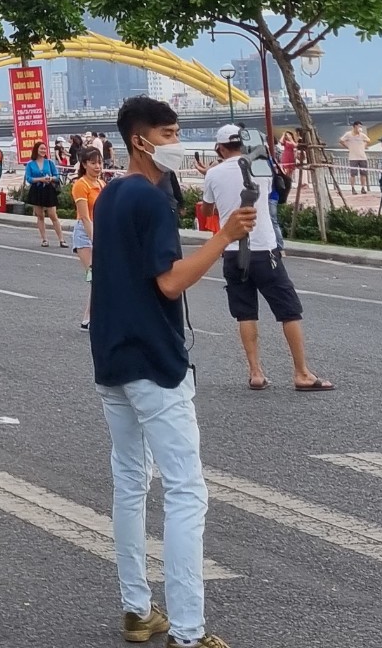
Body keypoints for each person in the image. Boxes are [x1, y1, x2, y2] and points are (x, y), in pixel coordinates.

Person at [92, 97, 254, 648]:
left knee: (130, 485)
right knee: (187, 493)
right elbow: (168, 281)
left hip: (112, 358)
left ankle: (137, 609)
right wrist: (223, 237)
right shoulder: (151, 198)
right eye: (169, 132)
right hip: (154, 363)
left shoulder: (112, 192)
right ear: (141, 140)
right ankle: (189, 632)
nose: (177, 141)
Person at [199, 126, 329, 393]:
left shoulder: (213, 173)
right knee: (289, 311)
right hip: (264, 251)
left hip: (232, 251)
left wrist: (210, 177)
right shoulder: (262, 168)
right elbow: (276, 196)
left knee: (245, 313)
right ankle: (301, 373)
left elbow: (208, 210)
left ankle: (256, 372)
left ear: (220, 148)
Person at [72, 147, 105, 327]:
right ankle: (91, 318)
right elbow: (85, 217)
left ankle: (89, 318)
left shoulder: (101, 184)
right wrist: (96, 240)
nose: (97, 166)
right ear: (84, 164)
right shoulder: (81, 185)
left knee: (101, 277)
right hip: (86, 234)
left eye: (99, 162)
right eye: (93, 163)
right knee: (95, 275)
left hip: (100, 230)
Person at [25, 140, 66, 248]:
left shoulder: (49, 162)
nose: (43, 150)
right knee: (40, 216)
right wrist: (40, 179)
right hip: (37, 190)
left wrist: (50, 178)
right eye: (41, 148)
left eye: (44, 149)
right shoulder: (30, 164)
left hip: (49, 190)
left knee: (53, 215)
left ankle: (61, 239)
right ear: (36, 150)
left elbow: (57, 176)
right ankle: (44, 239)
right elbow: (28, 178)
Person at [340, 121, 370, 195]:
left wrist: (364, 146)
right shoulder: (348, 134)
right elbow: (341, 140)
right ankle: (353, 188)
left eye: (360, 126)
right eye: (358, 126)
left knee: (363, 174)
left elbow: (368, 140)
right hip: (353, 157)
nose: (359, 128)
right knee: (353, 174)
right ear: (354, 126)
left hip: (362, 157)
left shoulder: (362, 135)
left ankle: (363, 187)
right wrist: (348, 147)